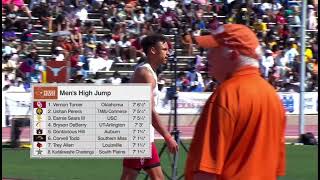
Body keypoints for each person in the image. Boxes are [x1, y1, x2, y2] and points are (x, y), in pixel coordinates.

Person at [185, 24, 286, 180]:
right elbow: (274, 169)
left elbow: (206, 171)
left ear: (232, 55)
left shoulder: (226, 95)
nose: (208, 55)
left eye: (213, 49)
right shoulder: (273, 97)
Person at [121, 34, 178, 180]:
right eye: (164, 49)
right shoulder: (146, 74)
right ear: (153, 50)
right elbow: (147, 109)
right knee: (129, 176)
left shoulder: (149, 72)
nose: (168, 53)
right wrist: (167, 136)